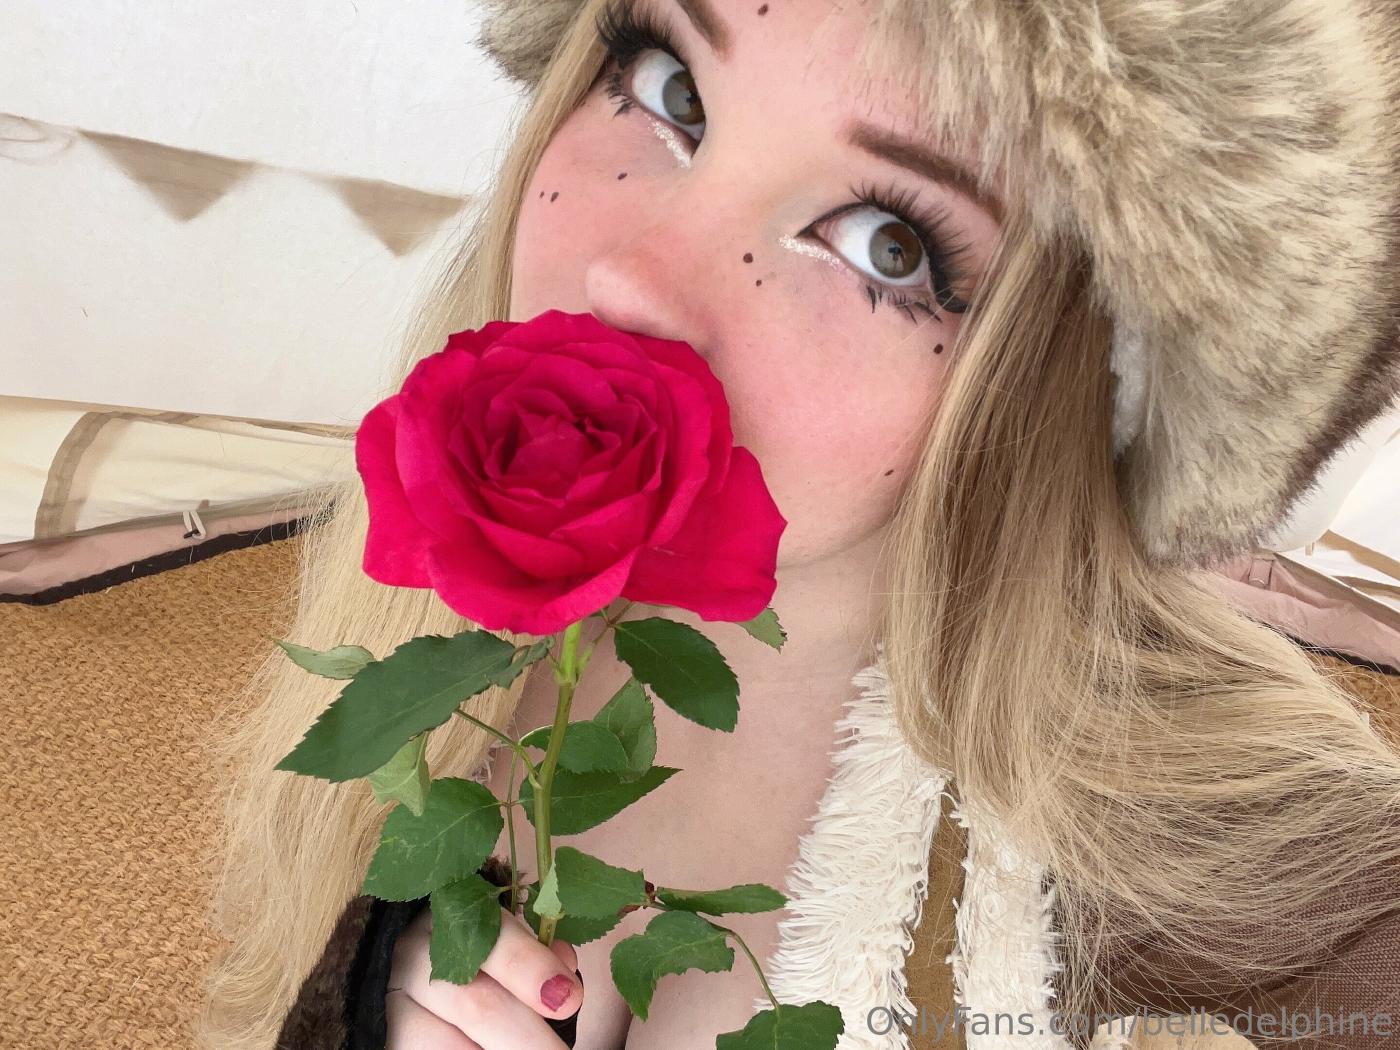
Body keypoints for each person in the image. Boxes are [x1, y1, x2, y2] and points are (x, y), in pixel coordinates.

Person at [196, 0, 1400, 1048]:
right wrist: (370, 996)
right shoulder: (427, 628)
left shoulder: (1296, 904)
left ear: (1069, 382)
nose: (634, 279)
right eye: (668, 85)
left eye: (887, 242)